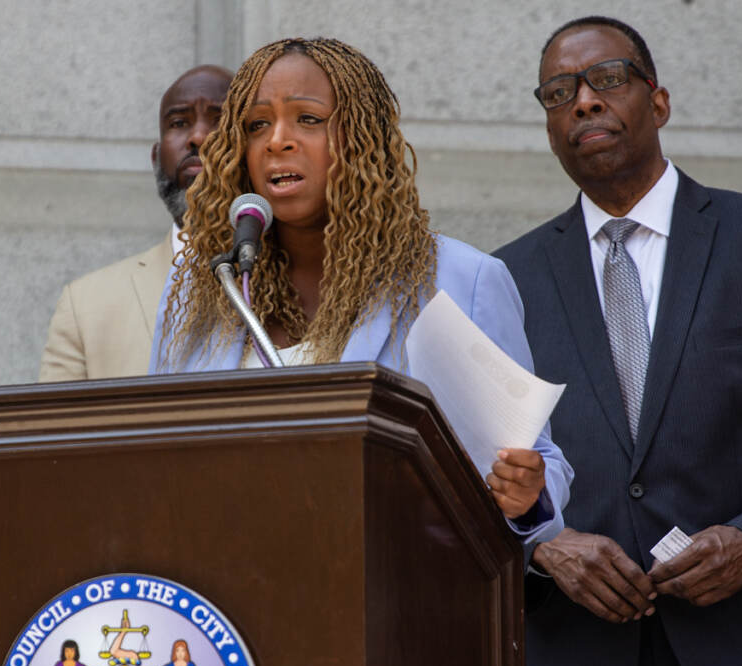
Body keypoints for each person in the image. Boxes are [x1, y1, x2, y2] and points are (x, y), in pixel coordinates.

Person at [493, 15, 742, 666]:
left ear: (659, 102)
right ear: (547, 127)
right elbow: (476, 476)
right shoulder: (507, 280)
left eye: (608, 79)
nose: (585, 101)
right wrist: (545, 547)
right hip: (577, 653)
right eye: (559, 92)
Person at [148, 36, 572, 541]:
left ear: (361, 137)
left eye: (308, 119)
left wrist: (525, 496)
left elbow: (536, 463)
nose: (277, 140)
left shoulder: (458, 281)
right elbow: (158, 464)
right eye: (257, 124)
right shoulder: (203, 289)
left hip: (393, 589)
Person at [38, 64, 233, 381]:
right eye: (179, 122)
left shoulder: (307, 283)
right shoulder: (86, 305)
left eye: (220, 121)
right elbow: (53, 428)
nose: (198, 137)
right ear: (156, 159)